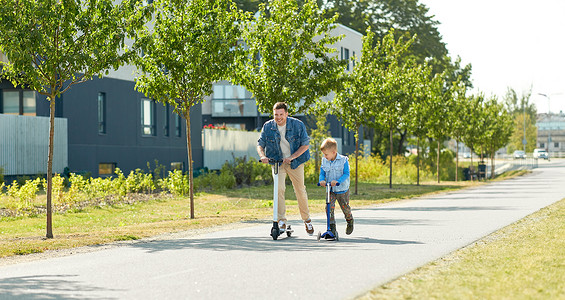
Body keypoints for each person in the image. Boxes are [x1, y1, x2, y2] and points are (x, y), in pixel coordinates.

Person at [257, 102, 314, 235]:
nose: (278, 117)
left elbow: (305, 145)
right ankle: (281, 220)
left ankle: (307, 220)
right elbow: (260, 144)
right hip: (278, 162)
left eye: (281, 114)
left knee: (300, 190)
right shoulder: (268, 126)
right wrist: (263, 156)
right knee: (279, 190)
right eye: (276, 114)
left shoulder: (297, 125)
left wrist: (292, 157)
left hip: (296, 162)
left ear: (286, 114)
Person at [318, 137, 354, 235]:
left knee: (345, 207)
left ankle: (350, 221)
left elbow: (346, 174)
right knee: (329, 208)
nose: (325, 156)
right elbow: (322, 173)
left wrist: (338, 181)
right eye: (324, 154)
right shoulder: (324, 161)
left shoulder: (343, 160)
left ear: (333, 152)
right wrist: (321, 180)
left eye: (326, 154)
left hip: (342, 189)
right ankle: (332, 227)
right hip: (331, 190)